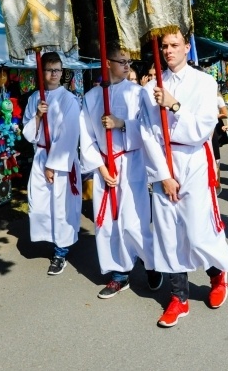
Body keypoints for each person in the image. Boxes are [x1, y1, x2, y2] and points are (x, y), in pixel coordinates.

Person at [143, 31, 228, 328]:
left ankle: (217, 275)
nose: (168, 51)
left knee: (196, 229)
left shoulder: (204, 83)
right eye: (164, 47)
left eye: (173, 45)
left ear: (186, 47)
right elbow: (147, 133)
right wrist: (163, 175)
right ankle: (178, 297)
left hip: (193, 159)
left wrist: (174, 105)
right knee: (169, 233)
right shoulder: (152, 88)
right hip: (164, 165)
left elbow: (201, 129)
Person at [79, 43, 164, 298]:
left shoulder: (138, 93)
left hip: (131, 164)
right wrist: (101, 167)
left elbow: (150, 129)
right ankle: (119, 273)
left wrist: (121, 124)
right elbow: (87, 137)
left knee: (134, 222)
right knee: (108, 224)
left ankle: (152, 264)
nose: (127, 66)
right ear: (107, 63)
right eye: (122, 61)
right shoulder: (92, 97)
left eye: (129, 62)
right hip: (105, 166)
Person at [22, 52, 82, 276]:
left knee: (60, 207)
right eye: (49, 70)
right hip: (41, 155)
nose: (54, 74)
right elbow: (28, 132)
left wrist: (52, 165)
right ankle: (51, 240)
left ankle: (61, 251)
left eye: (57, 69)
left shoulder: (69, 100)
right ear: (42, 72)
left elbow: (69, 135)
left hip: (60, 160)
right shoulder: (35, 98)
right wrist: (38, 116)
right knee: (39, 204)